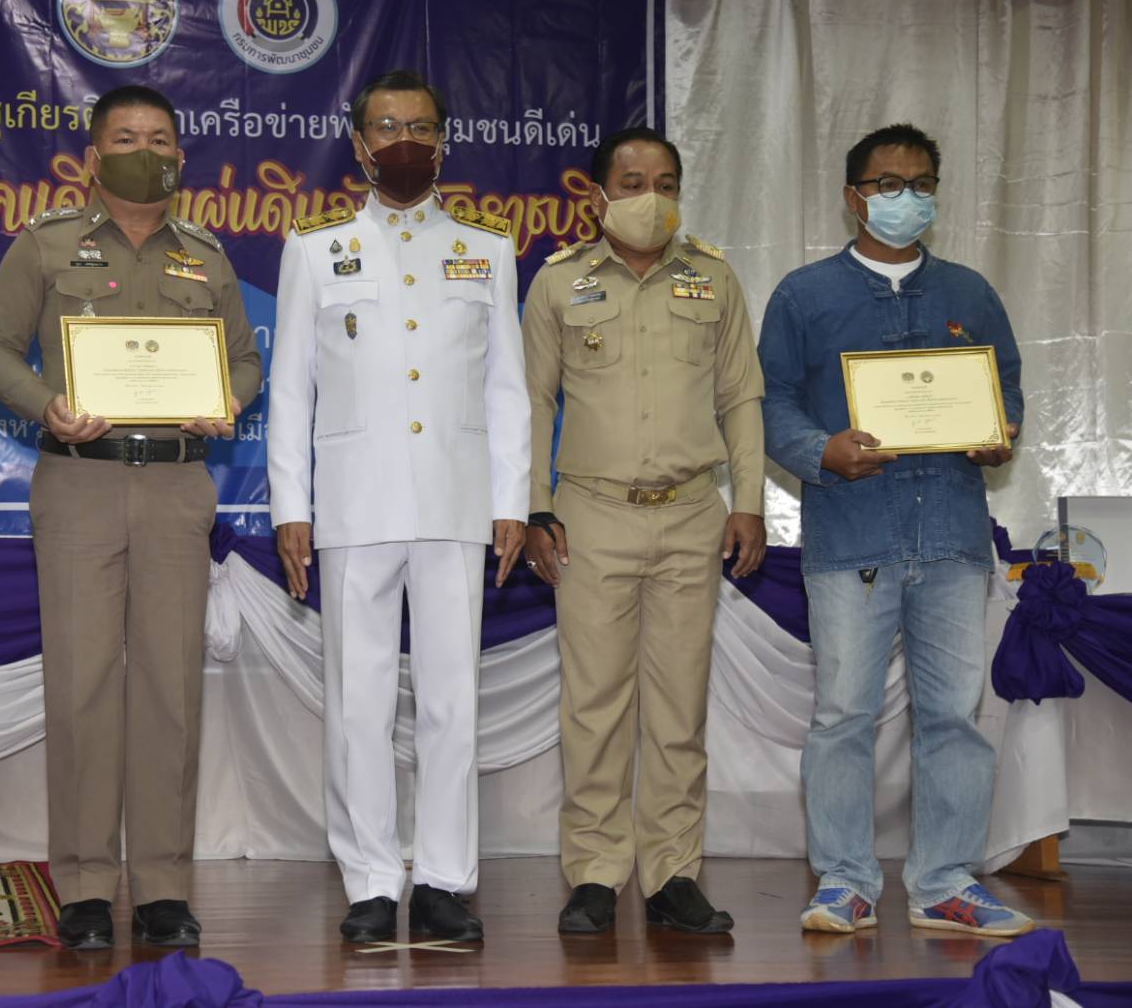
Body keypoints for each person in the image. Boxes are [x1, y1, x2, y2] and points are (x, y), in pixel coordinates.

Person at [0, 84, 260, 950]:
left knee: (172, 688)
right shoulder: (46, 243)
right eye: (127, 137)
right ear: (93, 158)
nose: (148, 150)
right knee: (82, 685)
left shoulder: (207, 256)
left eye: (162, 139)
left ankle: (166, 885)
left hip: (178, 485)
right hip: (78, 482)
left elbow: (246, 359)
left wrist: (226, 400)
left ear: (181, 158)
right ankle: (87, 886)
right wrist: (45, 405)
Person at [268, 69, 530, 944]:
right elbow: (288, 393)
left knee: (454, 699)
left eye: (418, 124)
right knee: (359, 701)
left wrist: (511, 500)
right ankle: (372, 880)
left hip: (456, 504)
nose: (402, 139)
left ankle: (448, 880)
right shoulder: (315, 246)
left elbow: (506, 388)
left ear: (444, 138)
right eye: (385, 126)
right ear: (358, 143)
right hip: (351, 503)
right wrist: (289, 508)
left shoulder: (487, 247)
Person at [758, 123, 1031, 938]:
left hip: (949, 532)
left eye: (918, 183)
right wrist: (819, 449)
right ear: (852, 196)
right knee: (841, 714)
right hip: (851, 537)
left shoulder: (968, 293)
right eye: (885, 183)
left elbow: (1005, 387)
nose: (902, 197)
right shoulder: (803, 295)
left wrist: (998, 430)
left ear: (935, 195)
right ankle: (844, 880)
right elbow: (768, 402)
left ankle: (945, 881)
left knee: (952, 714)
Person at [522, 128, 764, 937]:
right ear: (597, 194)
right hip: (590, 513)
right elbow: (532, 404)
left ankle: (672, 874)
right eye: (630, 181)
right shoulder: (558, 283)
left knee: (677, 706)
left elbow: (741, 399)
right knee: (592, 704)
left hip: (693, 511)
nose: (648, 195)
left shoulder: (713, 278)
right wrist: (533, 506)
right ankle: (593, 873)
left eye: (664, 181)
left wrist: (751, 501)